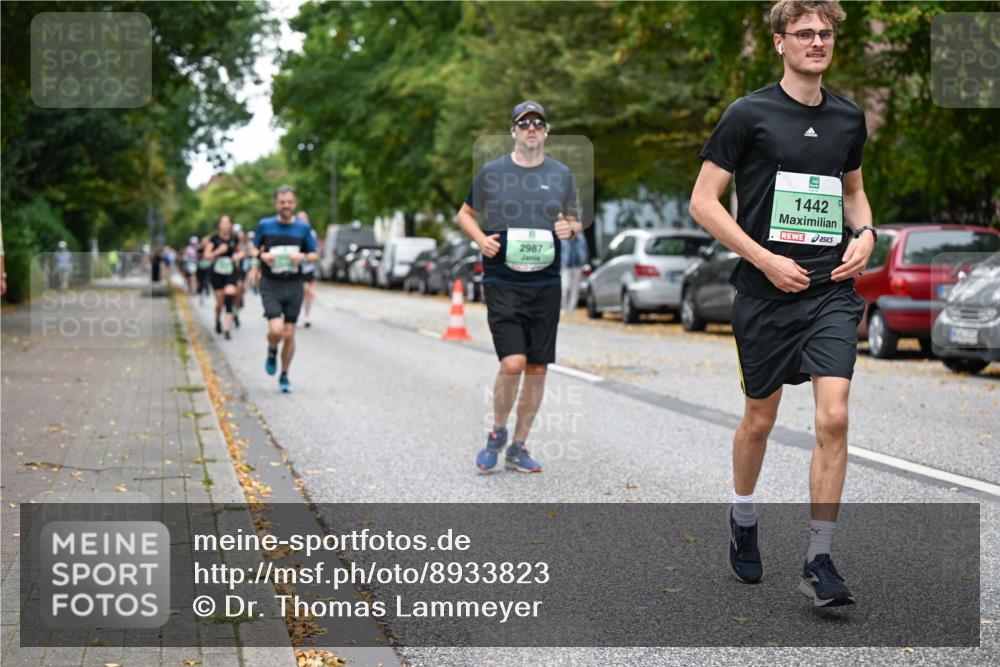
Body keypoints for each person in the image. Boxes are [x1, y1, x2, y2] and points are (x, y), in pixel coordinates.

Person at [688, 0, 875, 607]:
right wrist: (763, 258)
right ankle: (743, 514)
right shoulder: (749, 114)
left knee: (834, 417)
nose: (817, 42)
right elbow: (704, 202)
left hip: (830, 294)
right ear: (779, 42)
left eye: (825, 33)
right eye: (804, 33)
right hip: (766, 295)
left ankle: (819, 558)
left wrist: (867, 235)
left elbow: (854, 193)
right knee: (760, 421)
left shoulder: (848, 118)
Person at [457, 100, 582, 474]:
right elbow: (465, 215)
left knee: (538, 368)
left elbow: (574, 221)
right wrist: (481, 240)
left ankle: (519, 445)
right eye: (524, 123)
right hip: (503, 281)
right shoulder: (493, 173)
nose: (531, 128)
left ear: (546, 131)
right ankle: (497, 432)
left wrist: (570, 228)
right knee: (513, 363)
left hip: (545, 281)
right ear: (513, 131)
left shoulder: (561, 175)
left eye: (538, 123)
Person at [254, 186, 318, 393]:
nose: (286, 205)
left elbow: (314, 254)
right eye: (282, 202)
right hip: (271, 284)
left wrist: (303, 257)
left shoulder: (302, 228)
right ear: (276, 204)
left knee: (289, 334)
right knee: (276, 330)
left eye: (289, 202)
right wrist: (261, 256)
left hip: (294, 284)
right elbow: (253, 248)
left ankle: (284, 375)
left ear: (295, 203)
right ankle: (272, 350)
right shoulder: (265, 225)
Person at [205, 215, 243, 340]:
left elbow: (241, 251)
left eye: (228, 222)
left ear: (231, 225)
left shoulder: (234, 237)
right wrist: (218, 251)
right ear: (219, 225)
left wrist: (238, 256)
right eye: (223, 223)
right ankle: (217, 319)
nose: (225, 225)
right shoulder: (214, 238)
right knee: (219, 302)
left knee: (230, 295)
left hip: (231, 271)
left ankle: (227, 329)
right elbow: (207, 255)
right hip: (217, 272)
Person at [297, 211, 319, 328]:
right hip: (295, 268)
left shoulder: (312, 234)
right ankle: (295, 314)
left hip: (308, 268)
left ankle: (307, 316)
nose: (302, 221)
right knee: (298, 292)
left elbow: (315, 251)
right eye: (299, 219)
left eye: (304, 219)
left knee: (307, 291)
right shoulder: (293, 232)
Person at [560, 231, 588, 314]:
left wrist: (584, 263)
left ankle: (572, 309)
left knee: (575, 289)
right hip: (566, 266)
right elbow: (561, 251)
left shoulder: (581, 238)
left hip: (578, 266)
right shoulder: (564, 238)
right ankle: (564, 308)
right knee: (565, 287)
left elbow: (585, 251)